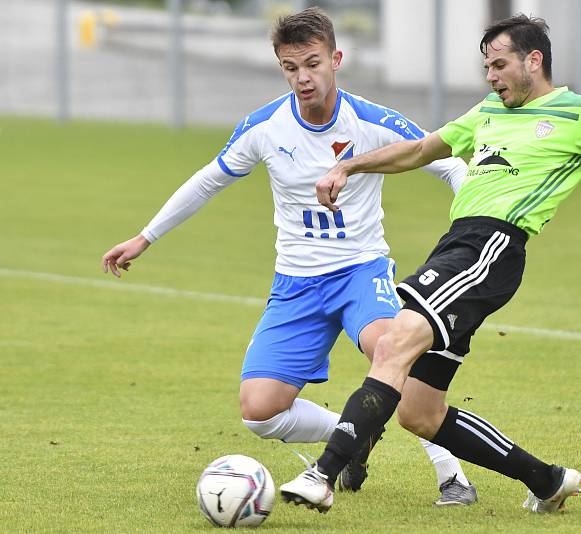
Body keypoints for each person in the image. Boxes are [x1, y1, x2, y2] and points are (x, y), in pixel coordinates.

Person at [279, 14, 581, 514]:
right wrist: (348, 164)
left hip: (491, 249)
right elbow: (417, 151)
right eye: (487, 67)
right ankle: (547, 480)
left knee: (393, 344)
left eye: (499, 65)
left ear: (534, 60)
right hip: (456, 247)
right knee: (419, 412)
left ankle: (323, 475)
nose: (491, 76)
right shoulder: (487, 111)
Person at [100, 7, 479, 506]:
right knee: (259, 411)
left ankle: (452, 476)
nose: (302, 77)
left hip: (361, 272)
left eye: (312, 63)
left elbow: (450, 164)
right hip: (296, 283)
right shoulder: (266, 127)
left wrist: (471, 227)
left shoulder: (371, 120)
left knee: (390, 351)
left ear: (336, 59)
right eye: (290, 67)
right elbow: (209, 178)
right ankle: (353, 435)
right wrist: (145, 237)